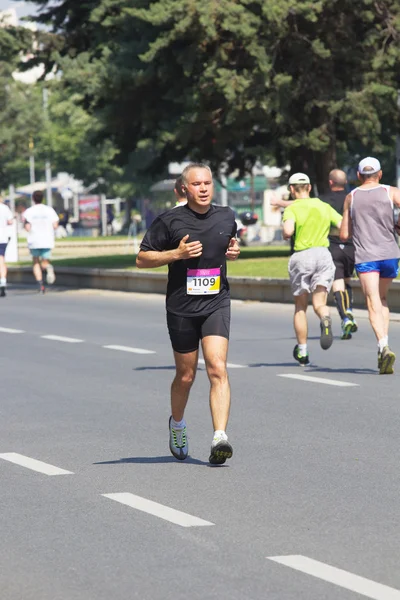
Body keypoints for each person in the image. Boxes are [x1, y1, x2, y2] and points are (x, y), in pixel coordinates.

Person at [136, 163, 240, 465]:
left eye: (208, 183)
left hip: (216, 302)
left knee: (217, 367)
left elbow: (228, 246)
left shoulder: (226, 216)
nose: (204, 188)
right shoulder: (169, 221)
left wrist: (233, 252)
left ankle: (220, 436)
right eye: (197, 184)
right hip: (182, 307)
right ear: (185, 188)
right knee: (186, 375)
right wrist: (176, 254)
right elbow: (142, 259)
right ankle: (177, 425)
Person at [340, 157, 400, 374]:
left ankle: (383, 346)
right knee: (382, 299)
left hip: (366, 256)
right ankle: (383, 346)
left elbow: (344, 233)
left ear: (358, 176)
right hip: (390, 253)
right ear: (380, 174)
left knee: (372, 300)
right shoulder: (390, 191)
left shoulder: (351, 197)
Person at [282, 173, 342, 365]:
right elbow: (342, 226)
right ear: (309, 187)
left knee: (300, 306)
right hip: (324, 254)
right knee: (319, 303)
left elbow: (288, 231)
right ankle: (325, 317)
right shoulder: (324, 206)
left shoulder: (292, 208)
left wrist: (286, 229)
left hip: (302, 256)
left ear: (291, 190)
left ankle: (302, 351)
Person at [321, 169, 357, 340]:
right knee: (347, 281)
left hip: (332, 245)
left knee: (338, 283)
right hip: (353, 246)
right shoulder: (353, 198)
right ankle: (349, 311)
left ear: (330, 182)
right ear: (345, 182)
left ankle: (345, 318)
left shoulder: (323, 200)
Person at [23, 190, 59, 294]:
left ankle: (40, 284)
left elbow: (27, 227)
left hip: (34, 240)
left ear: (33, 199)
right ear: (43, 198)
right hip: (47, 239)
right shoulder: (49, 210)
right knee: (45, 260)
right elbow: (55, 225)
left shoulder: (29, 211)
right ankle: (48, 267)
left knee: (35, 262)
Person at [0, 197, 14, 297]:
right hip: (2, 237)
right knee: (1, 259)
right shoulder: (4, 208)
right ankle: (3, 281)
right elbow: (10, 221)